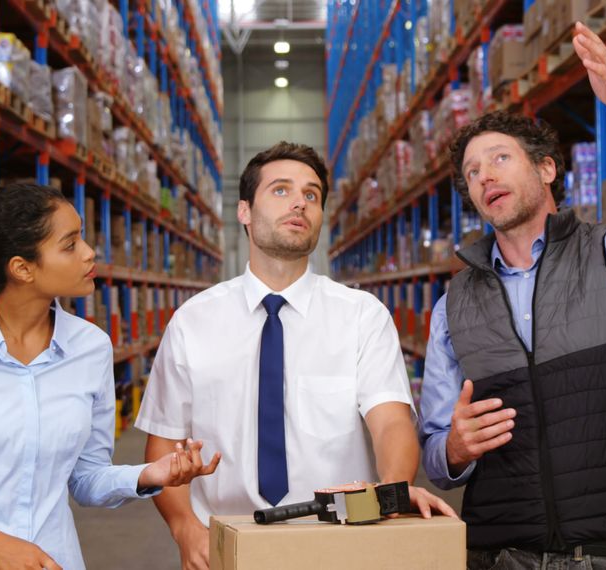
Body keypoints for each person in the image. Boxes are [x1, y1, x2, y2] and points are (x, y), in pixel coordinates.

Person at [418, 22, 606, 569]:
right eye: (472, 172)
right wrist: (452, 449)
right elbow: (434, 449)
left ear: (546, 168)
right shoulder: (454, 305)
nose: (484, 177)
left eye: (499, 158)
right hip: (502, 556)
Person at [136, 142, 457, 570]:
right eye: (281, 190)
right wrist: (184, 529)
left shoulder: (361, 316)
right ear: (244, 211)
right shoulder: (193, 322)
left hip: (341, 542)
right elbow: (163, 441)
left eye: (311, 195)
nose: (300, 204)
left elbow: (391, 422)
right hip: (228, 543)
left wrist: (392, 491)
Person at [0, 183, 220, 570]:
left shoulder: (91, 348)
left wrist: (149, 474)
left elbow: (86, 478)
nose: (89, 253)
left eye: (82, 237)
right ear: (22, 268)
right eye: (70, 244)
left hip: (55, 561)